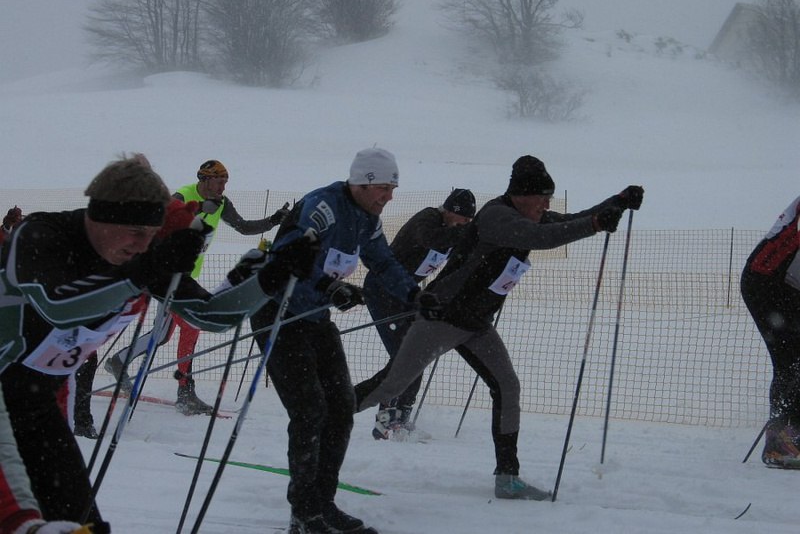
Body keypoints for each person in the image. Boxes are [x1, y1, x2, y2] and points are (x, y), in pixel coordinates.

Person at [0, 154, 317, 529]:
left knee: (84, 524)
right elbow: (59, 307)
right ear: (102, 216)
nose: (142, 244)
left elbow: (211, 315)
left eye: (151, 235)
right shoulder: (42, 235)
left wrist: (271, 277)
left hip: (36, 400)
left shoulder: (140, 256)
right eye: (136, 232)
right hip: (6, 391)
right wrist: (147, 268)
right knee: (20, 521)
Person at [355, 155, 644, 501]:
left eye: (548, 199)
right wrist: (596, 225)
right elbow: (542, 237)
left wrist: (618, 202)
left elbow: (570, 220)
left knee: (507, 387)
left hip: (476, 324)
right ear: (521, 195)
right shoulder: (497, 216)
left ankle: (507, 477)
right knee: (391, 384)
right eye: (541, 199)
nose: (546, 206)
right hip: (443, 318)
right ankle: (321, 418)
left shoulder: (528, 215)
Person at [250, 148, 439, 534]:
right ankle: (304, 514)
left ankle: (323, 504)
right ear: (362, 182)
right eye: (384, 188)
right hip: (279, 314)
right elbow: (288, 259)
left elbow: (382, 262)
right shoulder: (323, 207)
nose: (389, 197)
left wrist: (414, 296)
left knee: (340, 408)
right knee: (309, 411)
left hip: (315, 317)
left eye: (393, 189)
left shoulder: (367, 219)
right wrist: (329, 287)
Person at [105, 159, 290, 415]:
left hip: (185, 279)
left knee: (163, 333)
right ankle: (185, 392)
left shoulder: (222, 203)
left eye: (225, 182)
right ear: (204, 180)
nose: (223, 187)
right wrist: (200, 208)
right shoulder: (183, 195)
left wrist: (273, 220)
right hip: (165, 276)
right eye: (219, 181)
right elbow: (164, 220)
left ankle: (120, 361)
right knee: (189, 327)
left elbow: (243, 227)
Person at [362, 188, 476, 440]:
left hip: (407, 295)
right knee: (403, 355)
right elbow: (429, 238)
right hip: (382, 290)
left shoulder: (452, 233)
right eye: (463, 219)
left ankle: (402, 419)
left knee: (417, 352)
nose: (465, 224)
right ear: (450, 211)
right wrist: (466, 232)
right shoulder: (428, 218)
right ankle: (385, 420)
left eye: (469, 221)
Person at [741, 195, 800, 467]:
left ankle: (790, 434)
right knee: (792, 361)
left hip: (784, 284)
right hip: (768, 281)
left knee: (793, 361)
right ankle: (781, 441)